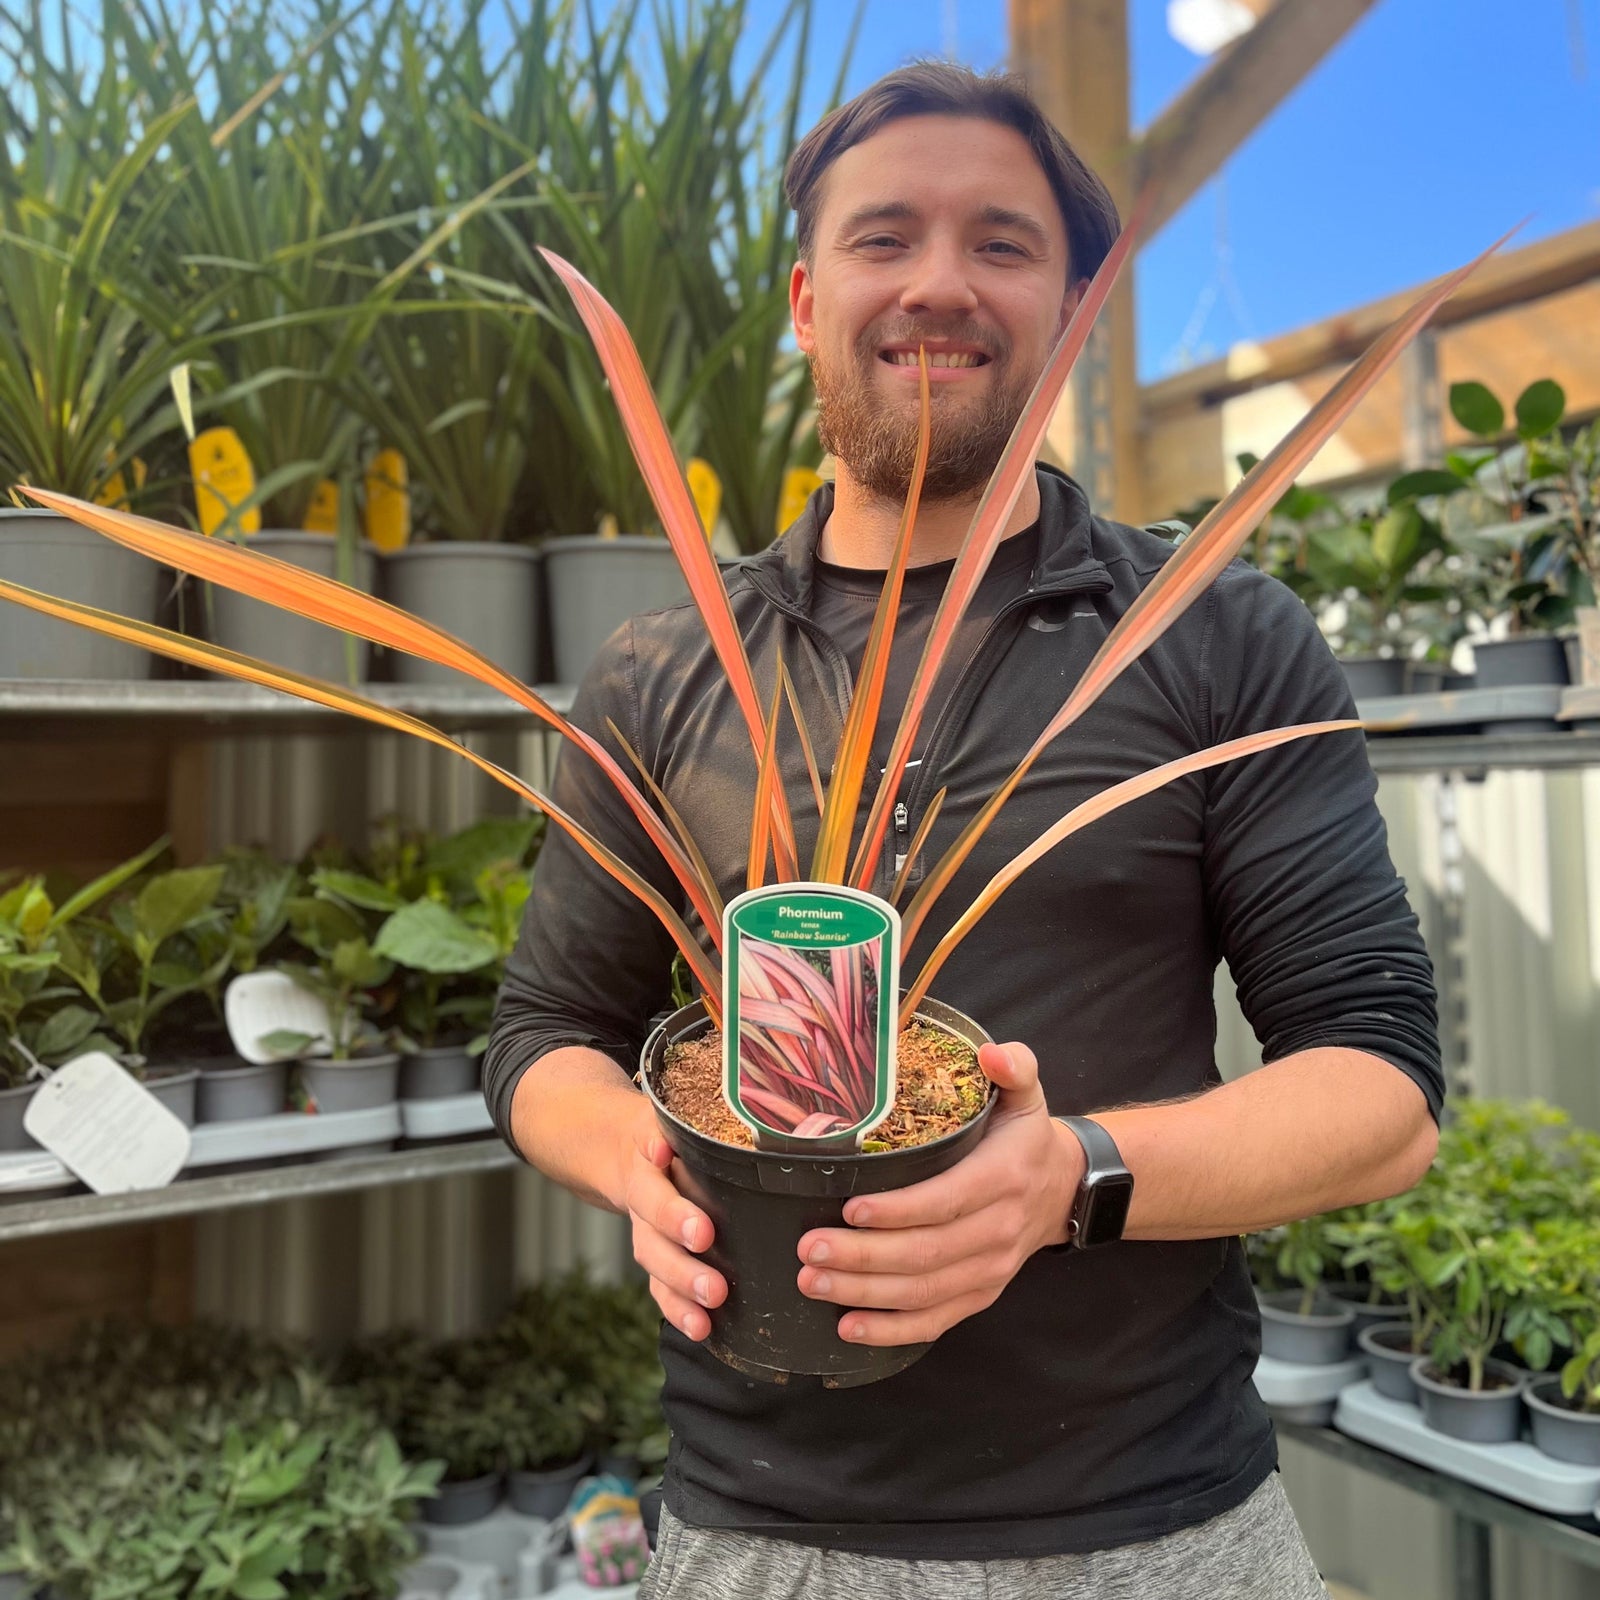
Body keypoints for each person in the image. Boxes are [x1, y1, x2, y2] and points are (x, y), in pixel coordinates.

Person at [484, 61, 1440, 1600]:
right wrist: (643, 1165)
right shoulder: (665, 670)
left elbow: (1383, 1091)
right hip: (760, 1527)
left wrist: (1072, 1175)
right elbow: (540, 1038)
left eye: (1002, 244)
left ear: (1070, 312)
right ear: (807, 298)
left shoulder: (1212, 633)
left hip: (1161, 1531)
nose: (940, 282)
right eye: (886, 238)